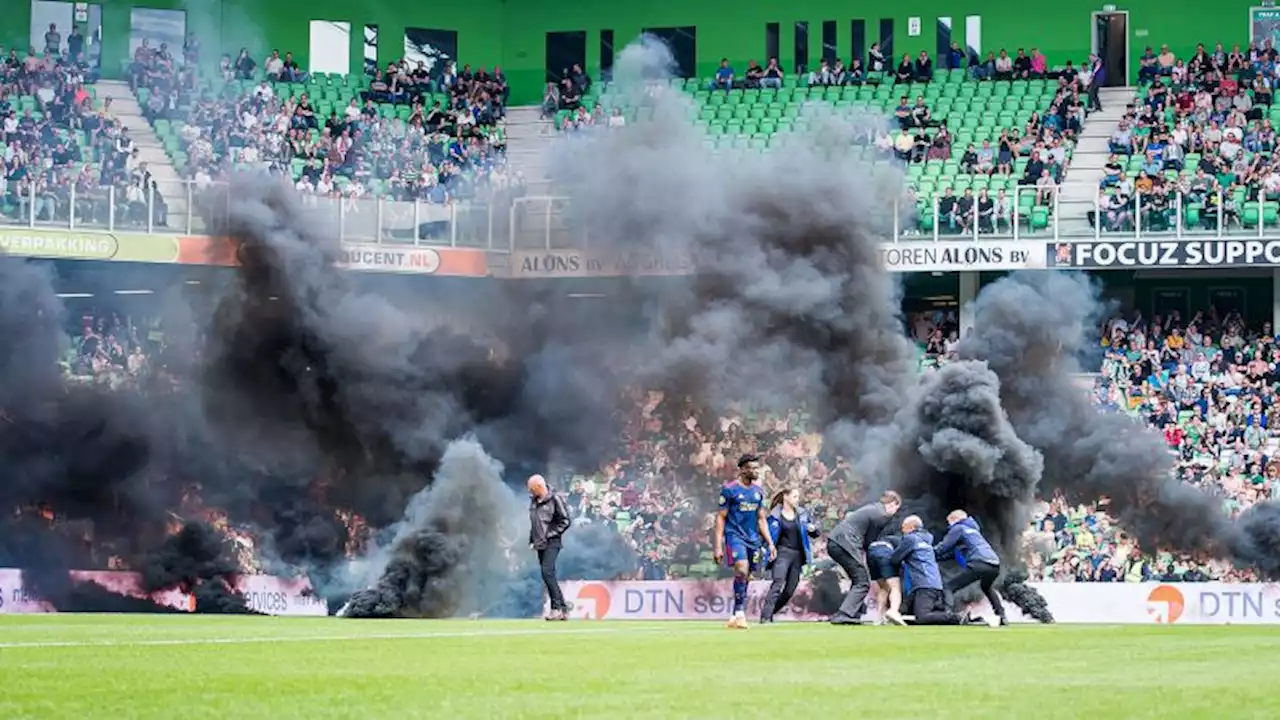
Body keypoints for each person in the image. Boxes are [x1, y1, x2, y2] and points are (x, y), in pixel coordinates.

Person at [714, 454, 777, 630]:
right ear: (742, 469)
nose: (756, 471)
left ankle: (735, 614)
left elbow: (761, 519)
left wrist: (770, 543)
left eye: (757, 468)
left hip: (753, 540)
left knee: (747, 575)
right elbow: (720, 518)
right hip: (735, 536)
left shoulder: (758, 492)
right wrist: (718, 545)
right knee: (741, 569)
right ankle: (741, 613)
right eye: (752, 468)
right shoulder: (730, 490)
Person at [826, 491, 902, 625]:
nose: (895, 512)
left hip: (834, 542)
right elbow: (869, 542)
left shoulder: (872, 508)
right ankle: (844, 614)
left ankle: (847, 613)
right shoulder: (882, 515)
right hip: (846, 543)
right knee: (862, 581)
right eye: (897, 508)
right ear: (892, 504)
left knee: (857, 578)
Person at [934, 510, 1008, 626]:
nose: (949, 526)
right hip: (994, 565)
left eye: (949, 522)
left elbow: (944, 547)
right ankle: (1002, 615)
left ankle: (947, 616)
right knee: (986, 587)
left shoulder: (959, 528)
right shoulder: (974, 531)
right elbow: (953, 553)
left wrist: (927, 553)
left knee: (948, 587)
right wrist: (936, 558)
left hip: (978, 563)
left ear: (955, 520)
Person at [760, 486, 820, 623]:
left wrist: (813, 529)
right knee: (778, 582)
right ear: (786, 497)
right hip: (782, 552)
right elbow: (766, 535)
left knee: (790, 589)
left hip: (798, 555)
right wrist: (767, 550)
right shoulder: (774, 516)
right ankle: (765, 617)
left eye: (798, 497)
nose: (797, 500)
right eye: (794, 496)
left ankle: (771, 612)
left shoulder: (803, 514)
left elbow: (816, 534)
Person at [889, 515, 959, 625]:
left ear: (912, 527)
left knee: (922, 617)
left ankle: (955, 617)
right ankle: (939, 611)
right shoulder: (926, 540)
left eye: (904, 527)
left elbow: (895, 559)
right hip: (931, 584)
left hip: (924, 585)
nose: (902, 530)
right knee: (904, 611)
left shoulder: (910, 539)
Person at [528, 474, 572, 621]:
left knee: (547, 572)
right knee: (548, 574)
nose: (530, 492)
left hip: (552, 542)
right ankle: (563, 608)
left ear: (540, 487)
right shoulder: (533, 501)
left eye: (532, 489)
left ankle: (556, 608)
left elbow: (565, 521)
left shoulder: (555, 499)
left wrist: (550, 534)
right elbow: (534, 523)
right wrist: (532, 539)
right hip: (539, 543)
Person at [868, 527, 906, 626]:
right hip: (884, 553)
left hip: (870, 553)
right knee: (895, 586)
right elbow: (899, 555)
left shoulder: (878, 539)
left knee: (884, 587)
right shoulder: (899, 540)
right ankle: (893, 611)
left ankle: (879, 617)